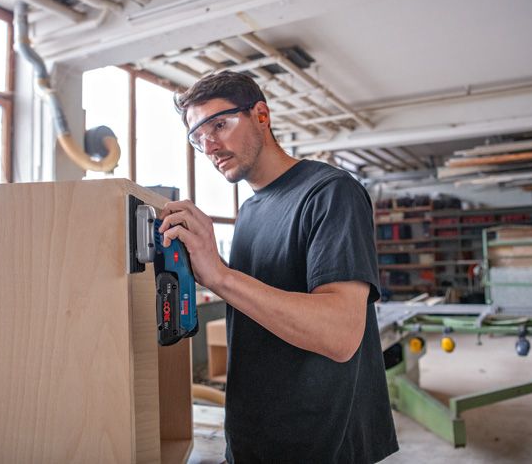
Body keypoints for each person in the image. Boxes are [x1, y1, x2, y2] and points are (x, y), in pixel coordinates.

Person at [158, 71, 398, 463]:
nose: (210, 145)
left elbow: (340, 335)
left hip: (321, 445)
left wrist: (219, 275)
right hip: (256, 440)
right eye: (197, 137)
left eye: (219, 124)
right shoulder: (250, 211)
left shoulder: (329, 193)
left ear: (261, 116)